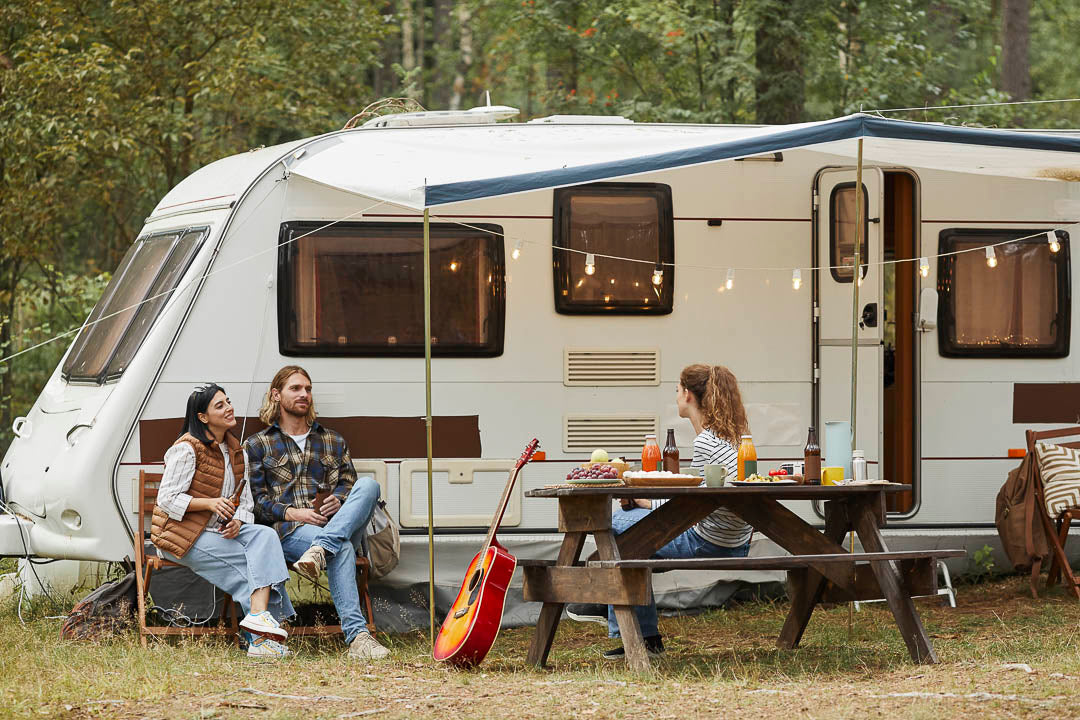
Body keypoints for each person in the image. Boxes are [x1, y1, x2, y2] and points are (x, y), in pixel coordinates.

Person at [601, 363, 752, 659]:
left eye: (677, 390)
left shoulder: (706, 441)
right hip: (736, 540)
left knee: (618, 525)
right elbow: (698, 496)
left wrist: (645, 503)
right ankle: (638, 629)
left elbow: (690, 507)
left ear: (688, 396)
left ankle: (625, 621)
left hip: (709, 542)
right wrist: (647, 504)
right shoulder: (734, 437)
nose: (676, 396)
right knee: (632, 536)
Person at [245, 365, 390, 661]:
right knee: (343, 548)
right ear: (276, 395)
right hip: (289, 533)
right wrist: (294, 514)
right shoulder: (257, 444)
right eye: (295, 388)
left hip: (337, 523)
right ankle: (359, 638)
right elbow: (257, 502)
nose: (304, 394)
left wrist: (339, 498)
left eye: (308, 389)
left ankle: (322, 548)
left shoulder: (333, 440)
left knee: (369, 485)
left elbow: (349, 483)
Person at [152, 384, 294, 658]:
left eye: (228, 402)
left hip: (215, 531)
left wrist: (239, 521)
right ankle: (260, 639)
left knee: (265, 537)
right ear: (202, 417)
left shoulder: (236, 451)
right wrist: (208, 503)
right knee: (249, 565)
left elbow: (246, 500)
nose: (229, 408)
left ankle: (259, 623)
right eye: (220, 405)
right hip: (180, 534)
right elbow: (166, 500)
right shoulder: (186, 449)